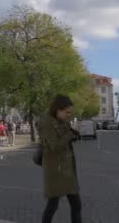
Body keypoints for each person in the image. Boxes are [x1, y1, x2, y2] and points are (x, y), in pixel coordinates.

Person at [39, 94, 82, 223]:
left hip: (67, 170)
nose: (69, 115)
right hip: (56, 170)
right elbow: (55, 146)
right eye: (67, 112)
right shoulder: (46, 122)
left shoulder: (63, 120)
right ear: (58, 109)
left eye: (70, 112)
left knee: (76, 205)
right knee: (53, 206)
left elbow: (68, 138)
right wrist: (71, 132)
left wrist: (76, 132)